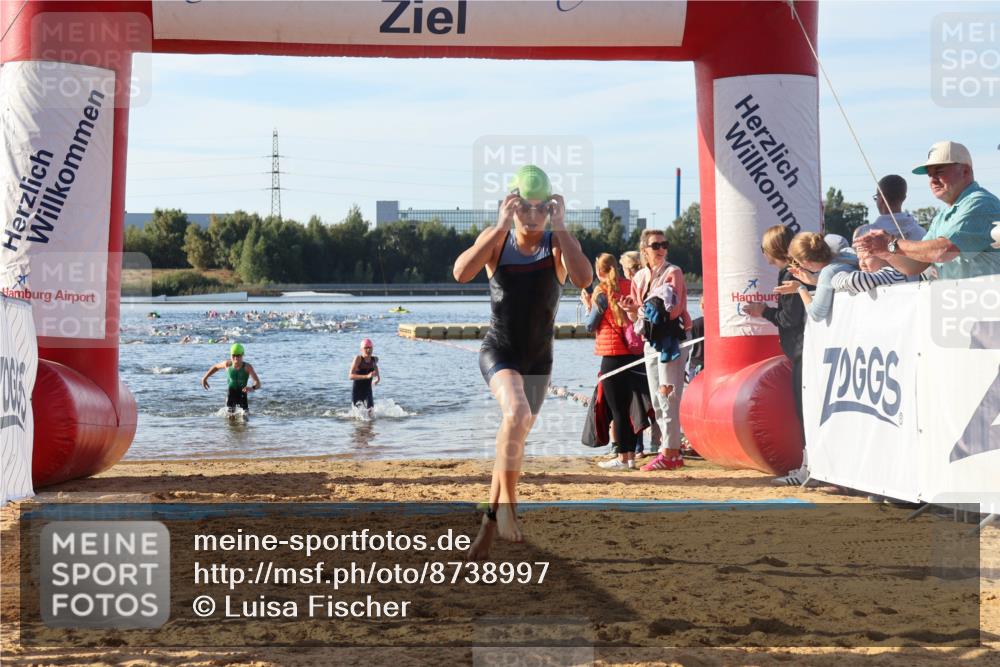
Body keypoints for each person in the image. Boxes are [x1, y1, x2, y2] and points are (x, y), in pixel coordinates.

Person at [452, 164, 591, 557]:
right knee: (516, 415)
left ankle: (487, 527)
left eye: (539, 208)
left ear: (550, 208)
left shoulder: (558, 244)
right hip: (500, 349)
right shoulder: (497, 241)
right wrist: (498, 226)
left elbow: (583, 280)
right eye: (523, 207)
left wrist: (562, 229)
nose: (532, 216)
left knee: (511, 442)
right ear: (510, 206)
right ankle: (511, 509)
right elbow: (462, 273)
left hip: (539, 359)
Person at [855, 141, 1000, 279]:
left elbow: (943, 251)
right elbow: (915, 265)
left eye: (939, 172)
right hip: (967, 300)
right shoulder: (943, 216)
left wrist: (891, 243)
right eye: (930, 175)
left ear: (965, 171)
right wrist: (887, 252)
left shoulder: (980, 203)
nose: (932, 180)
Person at [744, 225, 810, 485]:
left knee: (804, 411)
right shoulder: (800, 272)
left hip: (802, 350)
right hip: (804, 350)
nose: (763, 254)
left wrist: (765, 312)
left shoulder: (790, 274)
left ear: (773, 249)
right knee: (804, 410)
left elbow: (790, 318)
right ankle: (809, 466)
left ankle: (807, 468)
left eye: (764, 248)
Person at [621, 229, 691, 472]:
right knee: (656, 397)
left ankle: (671, 452)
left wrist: (642, 310)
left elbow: (672, 309)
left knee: (668, 394)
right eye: (655, 245)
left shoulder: (674, 272)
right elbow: (638, 317)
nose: (661, 249)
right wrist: (631, 309)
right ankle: (667, 449)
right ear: (644, 251)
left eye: (664, 244)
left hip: (671, 338)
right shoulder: (639, 277)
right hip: (651, 340)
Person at [582, 254, 646, 471]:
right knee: (627, 409)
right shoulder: (630, 285)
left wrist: (587, 304)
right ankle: (631, 457)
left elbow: (590, 325)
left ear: (599, 271)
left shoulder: (601, 292)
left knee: (617, 410)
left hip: (612, 356)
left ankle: (622, 456)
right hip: (635, 354)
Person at [775, 232, 858, 321]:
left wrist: (800, 288)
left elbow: (817, 314)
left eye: (797, 262)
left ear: (806, 262)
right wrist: (815, 281)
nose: (799, 265)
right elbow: (838, 285)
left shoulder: (828, 272)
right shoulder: (847, 254)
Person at [853, 174, 926, 241]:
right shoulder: (922, 233)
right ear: (904, 198)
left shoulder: (864, 233)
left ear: (881, 199)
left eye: (876, 198)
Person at [201, 342, 261, 415]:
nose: (235, 358)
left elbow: (258, 383)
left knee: (245, 417)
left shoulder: (247, 367)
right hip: (231, 394)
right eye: (233, 355)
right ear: (230, 355)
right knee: (229, 417)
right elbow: (215, 367)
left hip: (242, 394)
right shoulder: (227, 364)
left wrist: (252, 388)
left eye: (238, 355)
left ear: (242, 355)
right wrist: (205, 378)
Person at [348, 338, 380, 412]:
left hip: (368, 390)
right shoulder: (358, 359)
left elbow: (375, 366)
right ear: (361, 349)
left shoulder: (374, 359)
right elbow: (350, 376)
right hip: (357, 391)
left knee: (371, 413)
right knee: (358, 415)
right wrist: (367, 376)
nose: (368, 350)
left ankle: (370, 424)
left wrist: (378, 378)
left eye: (370, 348)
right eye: (366, 348)